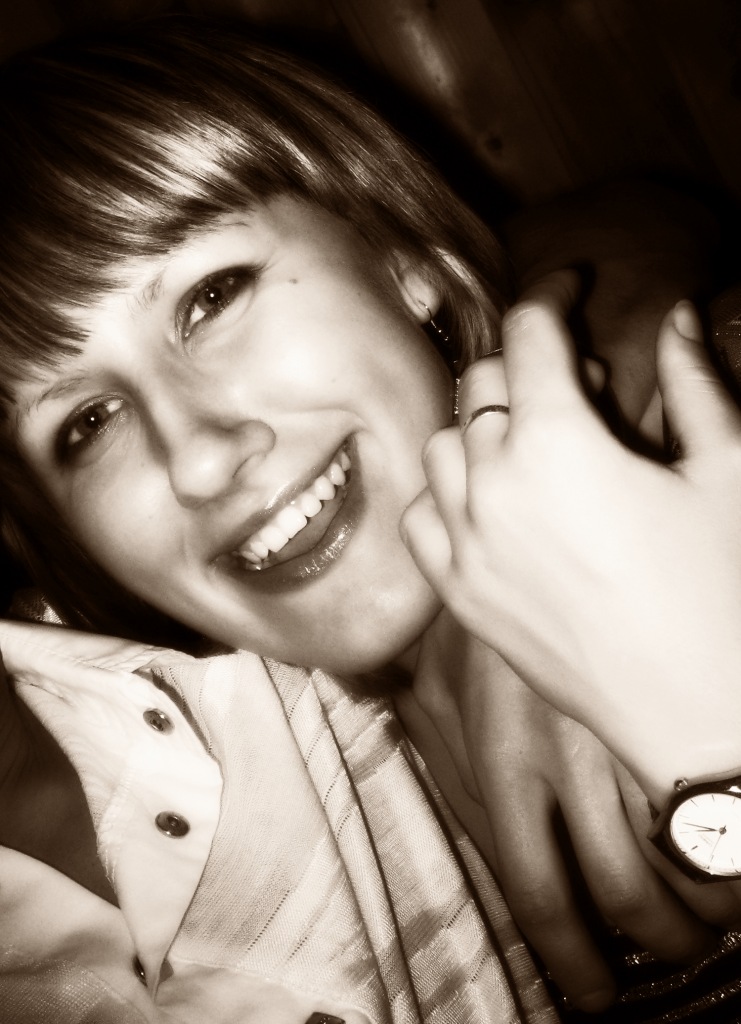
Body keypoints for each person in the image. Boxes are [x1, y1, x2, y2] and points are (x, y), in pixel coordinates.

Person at [0, 14, 734, 1020]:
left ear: (403, 260)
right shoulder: (275, 770)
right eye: (86, 423)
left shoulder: (708, 456)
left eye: (212, 297)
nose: (200, 458)